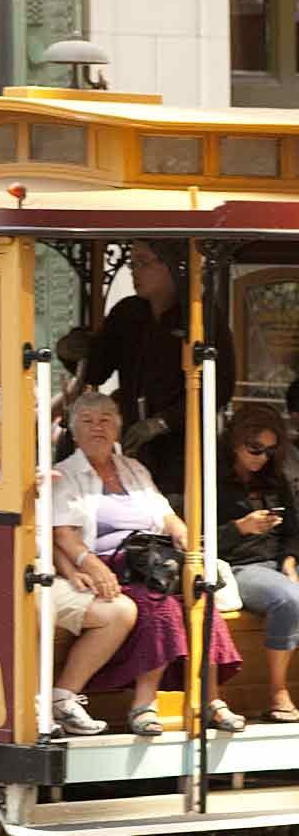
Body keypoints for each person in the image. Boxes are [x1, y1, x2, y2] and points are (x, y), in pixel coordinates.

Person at [52, 391, 244, 735]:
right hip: (111, 566)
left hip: (155, 563)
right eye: (88, 421)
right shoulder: (65, 474)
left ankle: (211, 699)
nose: (97, 427)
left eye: (105, 420)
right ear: (74, 431)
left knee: (201, 598)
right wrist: (92, 566)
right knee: (161, 607)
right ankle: (144, 704)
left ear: (118, 427)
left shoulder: (134, 468)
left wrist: (185, 538)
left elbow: (166, 515)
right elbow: (63, 534)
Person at [56, 239, 234, 497]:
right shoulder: (127, 313)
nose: (134, 272)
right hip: (133, 445)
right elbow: (97, 370)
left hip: (182, 448)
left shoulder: (200, 316)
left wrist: (162, 423)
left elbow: (221, 386)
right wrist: (72, 352)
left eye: (142, 263)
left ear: (172, 266)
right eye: (132, 264)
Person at [216, 403, 299, 722]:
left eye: (269, 451)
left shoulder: (274, 479)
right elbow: (195, 540)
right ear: (237, 441)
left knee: (288, 590)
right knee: (288, 598)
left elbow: (293, 531)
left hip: (278, 563)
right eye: (255, 448)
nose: (261, 457)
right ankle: (278, 691)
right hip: (238, 566)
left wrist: (289, 561)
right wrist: (241, 527)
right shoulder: (211, 479)